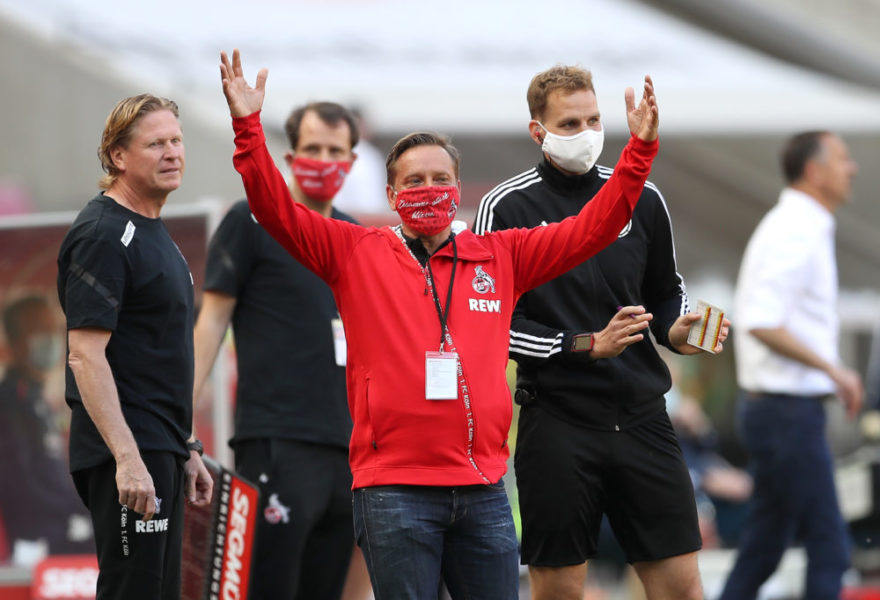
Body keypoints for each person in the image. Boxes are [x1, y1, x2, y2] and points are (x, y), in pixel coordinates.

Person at [219, 48, 659, 599]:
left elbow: (595, 225)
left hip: (482, 489)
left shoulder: (503, 255)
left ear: (457, 189)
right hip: (394, 491)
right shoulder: (355, 251)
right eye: (414, 180)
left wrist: (638, 151)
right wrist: (247, 128)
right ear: (390, 194)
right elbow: (274, 209)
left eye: (440, 178)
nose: (428, 188)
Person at [473, 65, 728, 600]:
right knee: (560, 590)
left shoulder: (643, 196)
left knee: (682, 588)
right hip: (558, 419)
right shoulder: (506, 206)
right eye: (569, 123)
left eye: (593, 119)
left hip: (642, 416)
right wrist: (584, 345)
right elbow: (491, 321)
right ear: (536, 131)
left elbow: (665, 291)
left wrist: (681, 329)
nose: (586, 133)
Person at [192, 101, 364, 600]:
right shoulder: (250, 221)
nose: (324, 159)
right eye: (313, 148)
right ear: (291, 157)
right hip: (277, 440)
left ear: (353, 161)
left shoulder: (356, 238)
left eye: (335, 150)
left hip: (348, 450)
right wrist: (178, 422)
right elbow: (211, 324)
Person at [56, 94, 213, 599]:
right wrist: (127, 457)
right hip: (128, 453)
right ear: (118, 157)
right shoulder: (104, 234)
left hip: (158, 447)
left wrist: (184, 446)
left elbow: (153, 354)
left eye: (176, 140)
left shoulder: (153, 233)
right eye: (155, 144)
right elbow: (85, 354)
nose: (172, 153)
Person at [720, 130, 863, 600]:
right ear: (814, 170)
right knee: (830, 546)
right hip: (786, 413)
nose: (853, 168)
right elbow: (761, 321)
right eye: (842, 159)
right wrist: (835, 370)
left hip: (779, 411)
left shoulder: (799, 224)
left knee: (764, 548)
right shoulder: (797, 228)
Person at [0, 295, 93, 561]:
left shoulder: (37, 400)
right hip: (36, 539)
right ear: (15, 344)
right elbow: (19, 481)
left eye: (53, 328)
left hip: (62, 527)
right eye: (39, 330)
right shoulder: (9, 403)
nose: (50, 337)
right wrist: (74, 513)